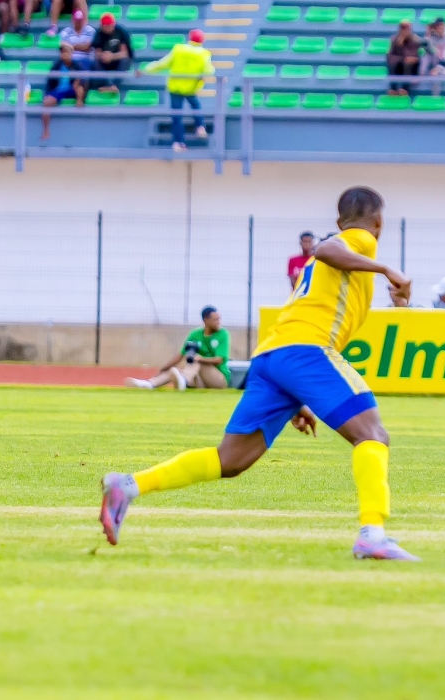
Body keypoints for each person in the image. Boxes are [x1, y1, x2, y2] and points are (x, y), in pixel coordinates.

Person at [100, 187, 421, 562]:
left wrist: (294, 393)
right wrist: (387, 268)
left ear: (339, 218)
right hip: (304, 351)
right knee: (372, 434)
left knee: (231, 460)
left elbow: (326, 284)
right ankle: (373, 534)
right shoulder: (359, 241)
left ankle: (129, 486)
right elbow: (325, 248)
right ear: (380, 221)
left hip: (273, 358)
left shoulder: (347, 262)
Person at [141, 28, 214, 153]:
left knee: (177, 117)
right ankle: (200, 127)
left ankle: (178, 143)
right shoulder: (204, 54)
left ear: (190, 39)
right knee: (196, 107)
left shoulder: (178, 49)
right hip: (191, 87)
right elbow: (209, 71)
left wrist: (146, 69)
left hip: (175, 87)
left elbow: (162, 64)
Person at [124, 306, 231, 391]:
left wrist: (200, 359)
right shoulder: (195, 334)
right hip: (201, 381)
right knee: (175, 371)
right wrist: (162, 369)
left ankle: (183, 379)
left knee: (197, 360)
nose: (218, 322)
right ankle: (150, 384)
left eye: (219, 319)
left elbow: (219, 360)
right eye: (215, 319)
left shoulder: (223, 334)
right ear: (205, 320)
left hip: (218, 380)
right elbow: (180, 355)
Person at [40, 42, 90, 140]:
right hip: (59, 91)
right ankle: (46, 130)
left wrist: (77, 80)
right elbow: (50, 82)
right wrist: (48, 94)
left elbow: (85, 79)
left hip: (72, 90)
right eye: (62, 52)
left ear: (71, 53)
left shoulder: (76, 64)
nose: (64, 54)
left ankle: (80, 102)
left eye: (66, 52)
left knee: (79, 84)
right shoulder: (56, 65)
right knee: (47, 102)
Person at [91, 12, 133, 93]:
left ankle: (114, 85)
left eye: (110, 25)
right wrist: (104, 56)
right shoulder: (98, 34)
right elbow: (97, 53)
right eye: (106, 26)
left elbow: (124, 53)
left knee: (126, 60)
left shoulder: (121, 32)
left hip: (117, 59)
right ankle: (108, 85)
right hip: (105, 60)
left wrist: (112, 56)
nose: (108, 28)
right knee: (95, 62)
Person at [420, 17, 445, 95]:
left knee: (435, 75)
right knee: (426, 54)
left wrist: (438, 68)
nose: (439, 28)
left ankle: (436, 98)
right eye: (437, 26)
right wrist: (428, 35)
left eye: (440, 25)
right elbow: (426, 49)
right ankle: (421, 73)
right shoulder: (434, 36)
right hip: (437, 63)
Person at [386, 19, 421, 95]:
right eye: (402, 28)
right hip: (399, 64)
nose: (404, 31)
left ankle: (405, 88)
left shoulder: (415, 40)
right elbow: (389, 55)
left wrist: (409, 58)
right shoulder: (394, 39)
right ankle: (393, 88)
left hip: (412, 67)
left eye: (406, 28)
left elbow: (415, 56)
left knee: (408, 63)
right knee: (392, 63)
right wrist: (399, 45)